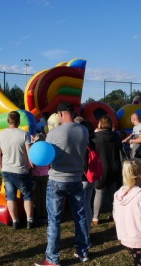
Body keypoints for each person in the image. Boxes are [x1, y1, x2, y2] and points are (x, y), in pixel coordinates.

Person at [35, 102, 91, 266]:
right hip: (76, 179)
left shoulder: (54, 133)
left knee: (54, 219)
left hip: (57, 180)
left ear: (60, 114)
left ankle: (52, 258)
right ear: (71, 112)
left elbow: (48, 155)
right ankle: (83, 252)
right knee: (80, 217)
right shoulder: (84, 130)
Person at [0, 111, 34, 229]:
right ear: (18, 121)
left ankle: (15, 221)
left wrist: (1, 167)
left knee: (10, 197)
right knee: (27, 195)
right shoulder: (24, 134)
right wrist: (31, 165)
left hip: (7, 170)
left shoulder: (0, 135)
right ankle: (29, 221)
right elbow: (29, 153)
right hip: (21, 170)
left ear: (8, 120)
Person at [92, 115, 122, 225]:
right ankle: (115, 214)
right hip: (114, 167)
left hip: (101, 168)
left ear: (100, 123)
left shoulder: (95, 137)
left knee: (99, 193)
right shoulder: (116, 136)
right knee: (113, 193)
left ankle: (96, 217)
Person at [79, 120, 96, 233]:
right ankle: (87, 230)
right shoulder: (92, 143)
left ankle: (84, 233)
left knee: (81, 208)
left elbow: (84, 163)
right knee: (87, 205)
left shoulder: (82, 144)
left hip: (83, 177)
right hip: (92, 177)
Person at [30, 133, 50, 223]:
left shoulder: (34, 150)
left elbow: (32, 164)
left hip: (36, 175)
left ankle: (38, 215)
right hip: (45, 175)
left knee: (37, 196)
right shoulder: (47, 149)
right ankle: (45, 215)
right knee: (44, 195)